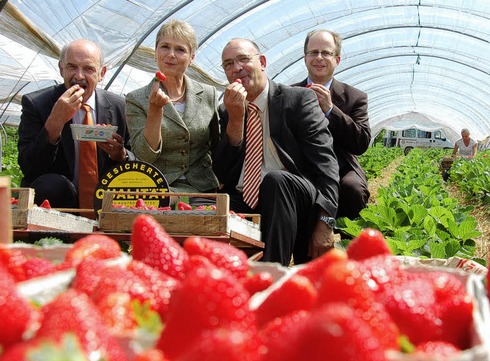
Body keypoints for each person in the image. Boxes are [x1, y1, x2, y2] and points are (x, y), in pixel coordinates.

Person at [214, 38, 339, 266]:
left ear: (262, 62)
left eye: (243, 59)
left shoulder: (298, 99)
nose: (236, 68)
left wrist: (325, 222)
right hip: (246, 196)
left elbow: (326, 164)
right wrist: (235, 119)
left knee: (276, 181)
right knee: (205, 206)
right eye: (228, 64)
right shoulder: (226, 110)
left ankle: (271, 274)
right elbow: (223, 172)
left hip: (293, 194)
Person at [18, 39, 132, 212]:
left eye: (88, 69)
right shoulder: (37, 104)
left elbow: (137, 160)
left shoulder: (119, 106)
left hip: (105, 200)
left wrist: (121, 154)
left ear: (101, 73)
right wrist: (55, 121)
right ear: (61, 69)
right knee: (52, 186)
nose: (79, 76)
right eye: (72, 67)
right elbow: (29, 166)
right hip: (60, 198)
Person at [126, 19, 220, 196]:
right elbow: (145, 155)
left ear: (191, 58)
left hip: (203, 188)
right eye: (165, 47)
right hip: (158, 188)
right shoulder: (136, 99)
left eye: (180, 49)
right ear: (155, 52)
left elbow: (217, 144)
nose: (171, 54)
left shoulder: (209, 94)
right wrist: (155, 110)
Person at [291, 29, 370, 220]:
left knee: (352, 189)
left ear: (337, 59)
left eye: (326, 53)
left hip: (341, 168)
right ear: (305, 58)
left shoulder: (354, 97)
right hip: (300, 167)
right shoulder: (288, 94)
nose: (319, 58)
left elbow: (360, 143)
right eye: (313, 52)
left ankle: (350, 245)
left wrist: (330, 109)